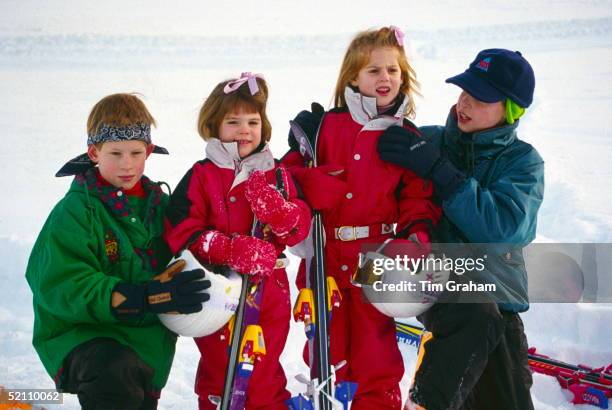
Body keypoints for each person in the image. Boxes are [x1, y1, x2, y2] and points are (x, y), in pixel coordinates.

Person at [283, 26, 441, 409]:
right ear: (352, 76)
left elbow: (419, 200)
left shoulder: (406, 136)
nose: (384, 78)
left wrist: (414, 239)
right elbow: (286, 180)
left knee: (375, 353)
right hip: (326, 256)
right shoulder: (326, 128)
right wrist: (307, 178)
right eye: (373, 71)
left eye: (393, 70)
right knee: (327, 347)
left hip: (378, 258)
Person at [377, 49, 545, 409]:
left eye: (480, 97)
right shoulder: (428, 142)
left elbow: (502, 230)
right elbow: (362, 148)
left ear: (511, 110)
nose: (464, 102)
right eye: (464, 91)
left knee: (506, 388)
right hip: (426, 278)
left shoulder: (523, 164)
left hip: (496, 300)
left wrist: (442, 174)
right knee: (476, 313)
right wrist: (323, 133)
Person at [25, 93, 210, 409]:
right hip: (85, 338)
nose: (127, 163)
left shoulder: (162, 209)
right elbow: (62, 284)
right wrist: (142, 296)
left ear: (149, 152)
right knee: (115, 371)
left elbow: (190, 250)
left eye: (136, 152)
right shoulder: (76, 211)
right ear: (94, 152)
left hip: (147, 347)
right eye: (115, 153)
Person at [163, 73, 311, 409]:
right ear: (214, 125)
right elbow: (181, 227)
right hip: (221, 292)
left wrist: (283, 215)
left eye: (252, 121)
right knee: (223, 369)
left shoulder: (276, 174)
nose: (244, 129)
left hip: (270, 291)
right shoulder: (203, 174)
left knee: (264, 367)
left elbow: (300, 228)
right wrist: (226, 248)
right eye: (233, 121)